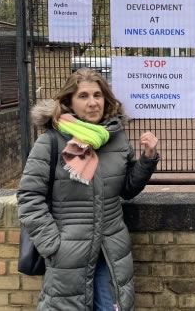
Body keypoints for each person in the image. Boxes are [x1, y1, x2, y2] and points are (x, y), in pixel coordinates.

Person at [17, 68, 159, 311]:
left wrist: (148, 159)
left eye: (98, 95)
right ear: (69, 102)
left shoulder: (116, 138)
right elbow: (29, 197)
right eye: (83, 96)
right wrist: (53, 245)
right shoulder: (51, 141)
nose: (93, 103)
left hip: (110, 249)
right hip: (68, 252)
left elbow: (126, 190)